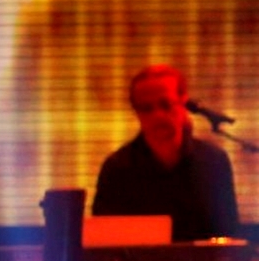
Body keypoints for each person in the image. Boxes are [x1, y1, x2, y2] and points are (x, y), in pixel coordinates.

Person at [92, 64, 241, 243]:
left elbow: (229, 238)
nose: (158, 116)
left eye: (165, 105)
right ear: (137, 112)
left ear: (183, 103)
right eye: (146, 108)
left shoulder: (213, 162)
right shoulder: (117, 169)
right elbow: (104, 244)